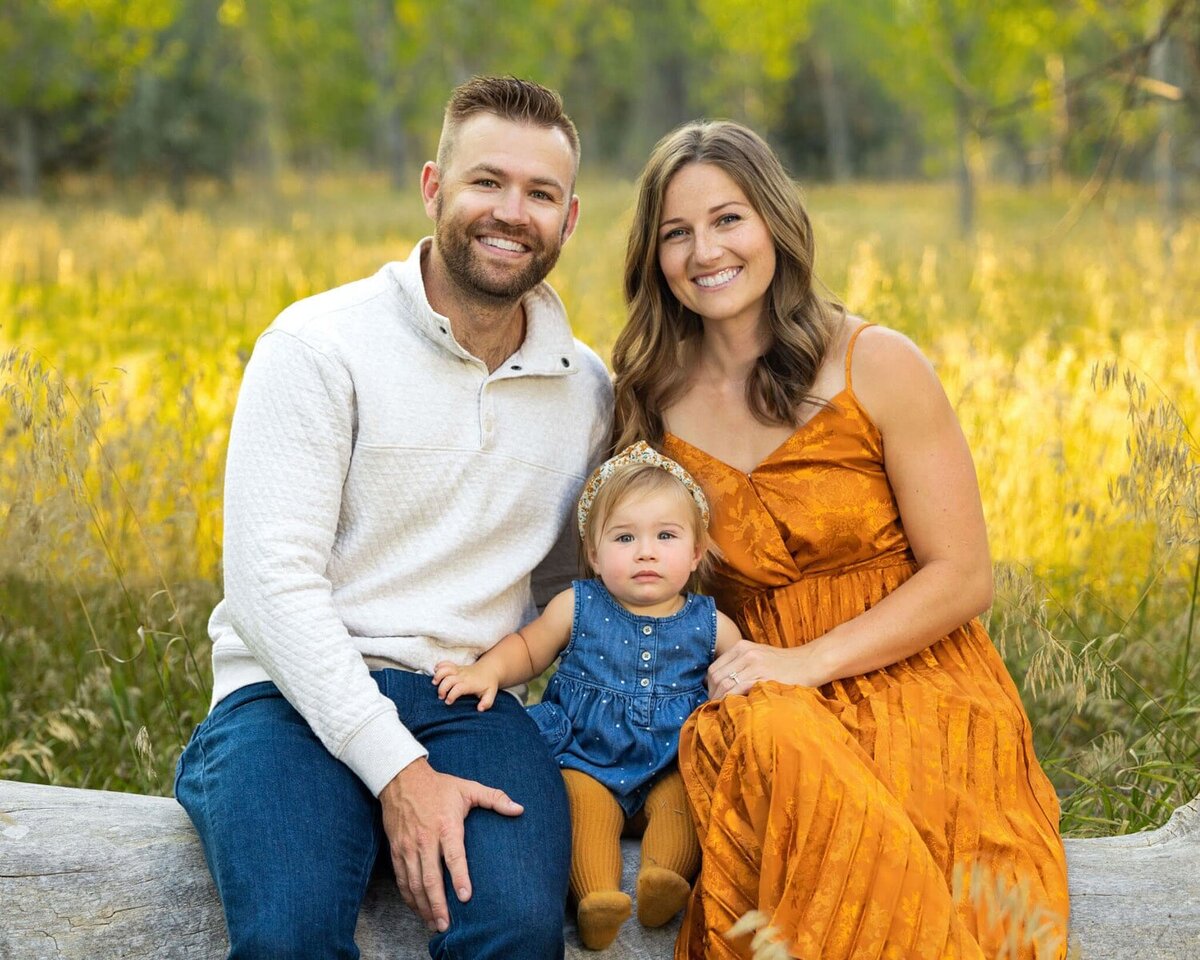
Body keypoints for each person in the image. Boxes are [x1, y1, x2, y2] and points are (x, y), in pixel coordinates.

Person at [173, 76, 613, 960]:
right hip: (287, 699)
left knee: (520, 931)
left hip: (472, 702)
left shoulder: (586, 388)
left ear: (568, 221)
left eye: (540, 193)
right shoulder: (318, 344)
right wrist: (399, 771)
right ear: (432, 188)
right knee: (291, 934)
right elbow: (270, 588)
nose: (510, 212)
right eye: (487, 181)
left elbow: (571, 591)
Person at [611, 120, 1070, 960]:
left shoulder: (875, 363)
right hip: (757, 691)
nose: (704, 250)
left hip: (918, 675)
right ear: (654, 255)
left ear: (776, 225)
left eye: (728, 219)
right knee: (778, 742)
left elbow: (964, 575)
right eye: (676, 232)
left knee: (965, 882)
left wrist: (809, 663)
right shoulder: (647, 398)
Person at [432, 441, 741, 950]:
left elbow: (746, 673)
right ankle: (596, 897)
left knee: (685, 802)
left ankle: (663, 878)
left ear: (695, 553)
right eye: (624, 537)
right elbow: (529, 648)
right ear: (594, 554)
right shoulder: (577, 605)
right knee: (579, 804)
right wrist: (488, 671)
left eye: (665, 535)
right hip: (587, 757)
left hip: (670, 763)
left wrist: (736, 687)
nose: (645, 551)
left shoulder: (710, 624)